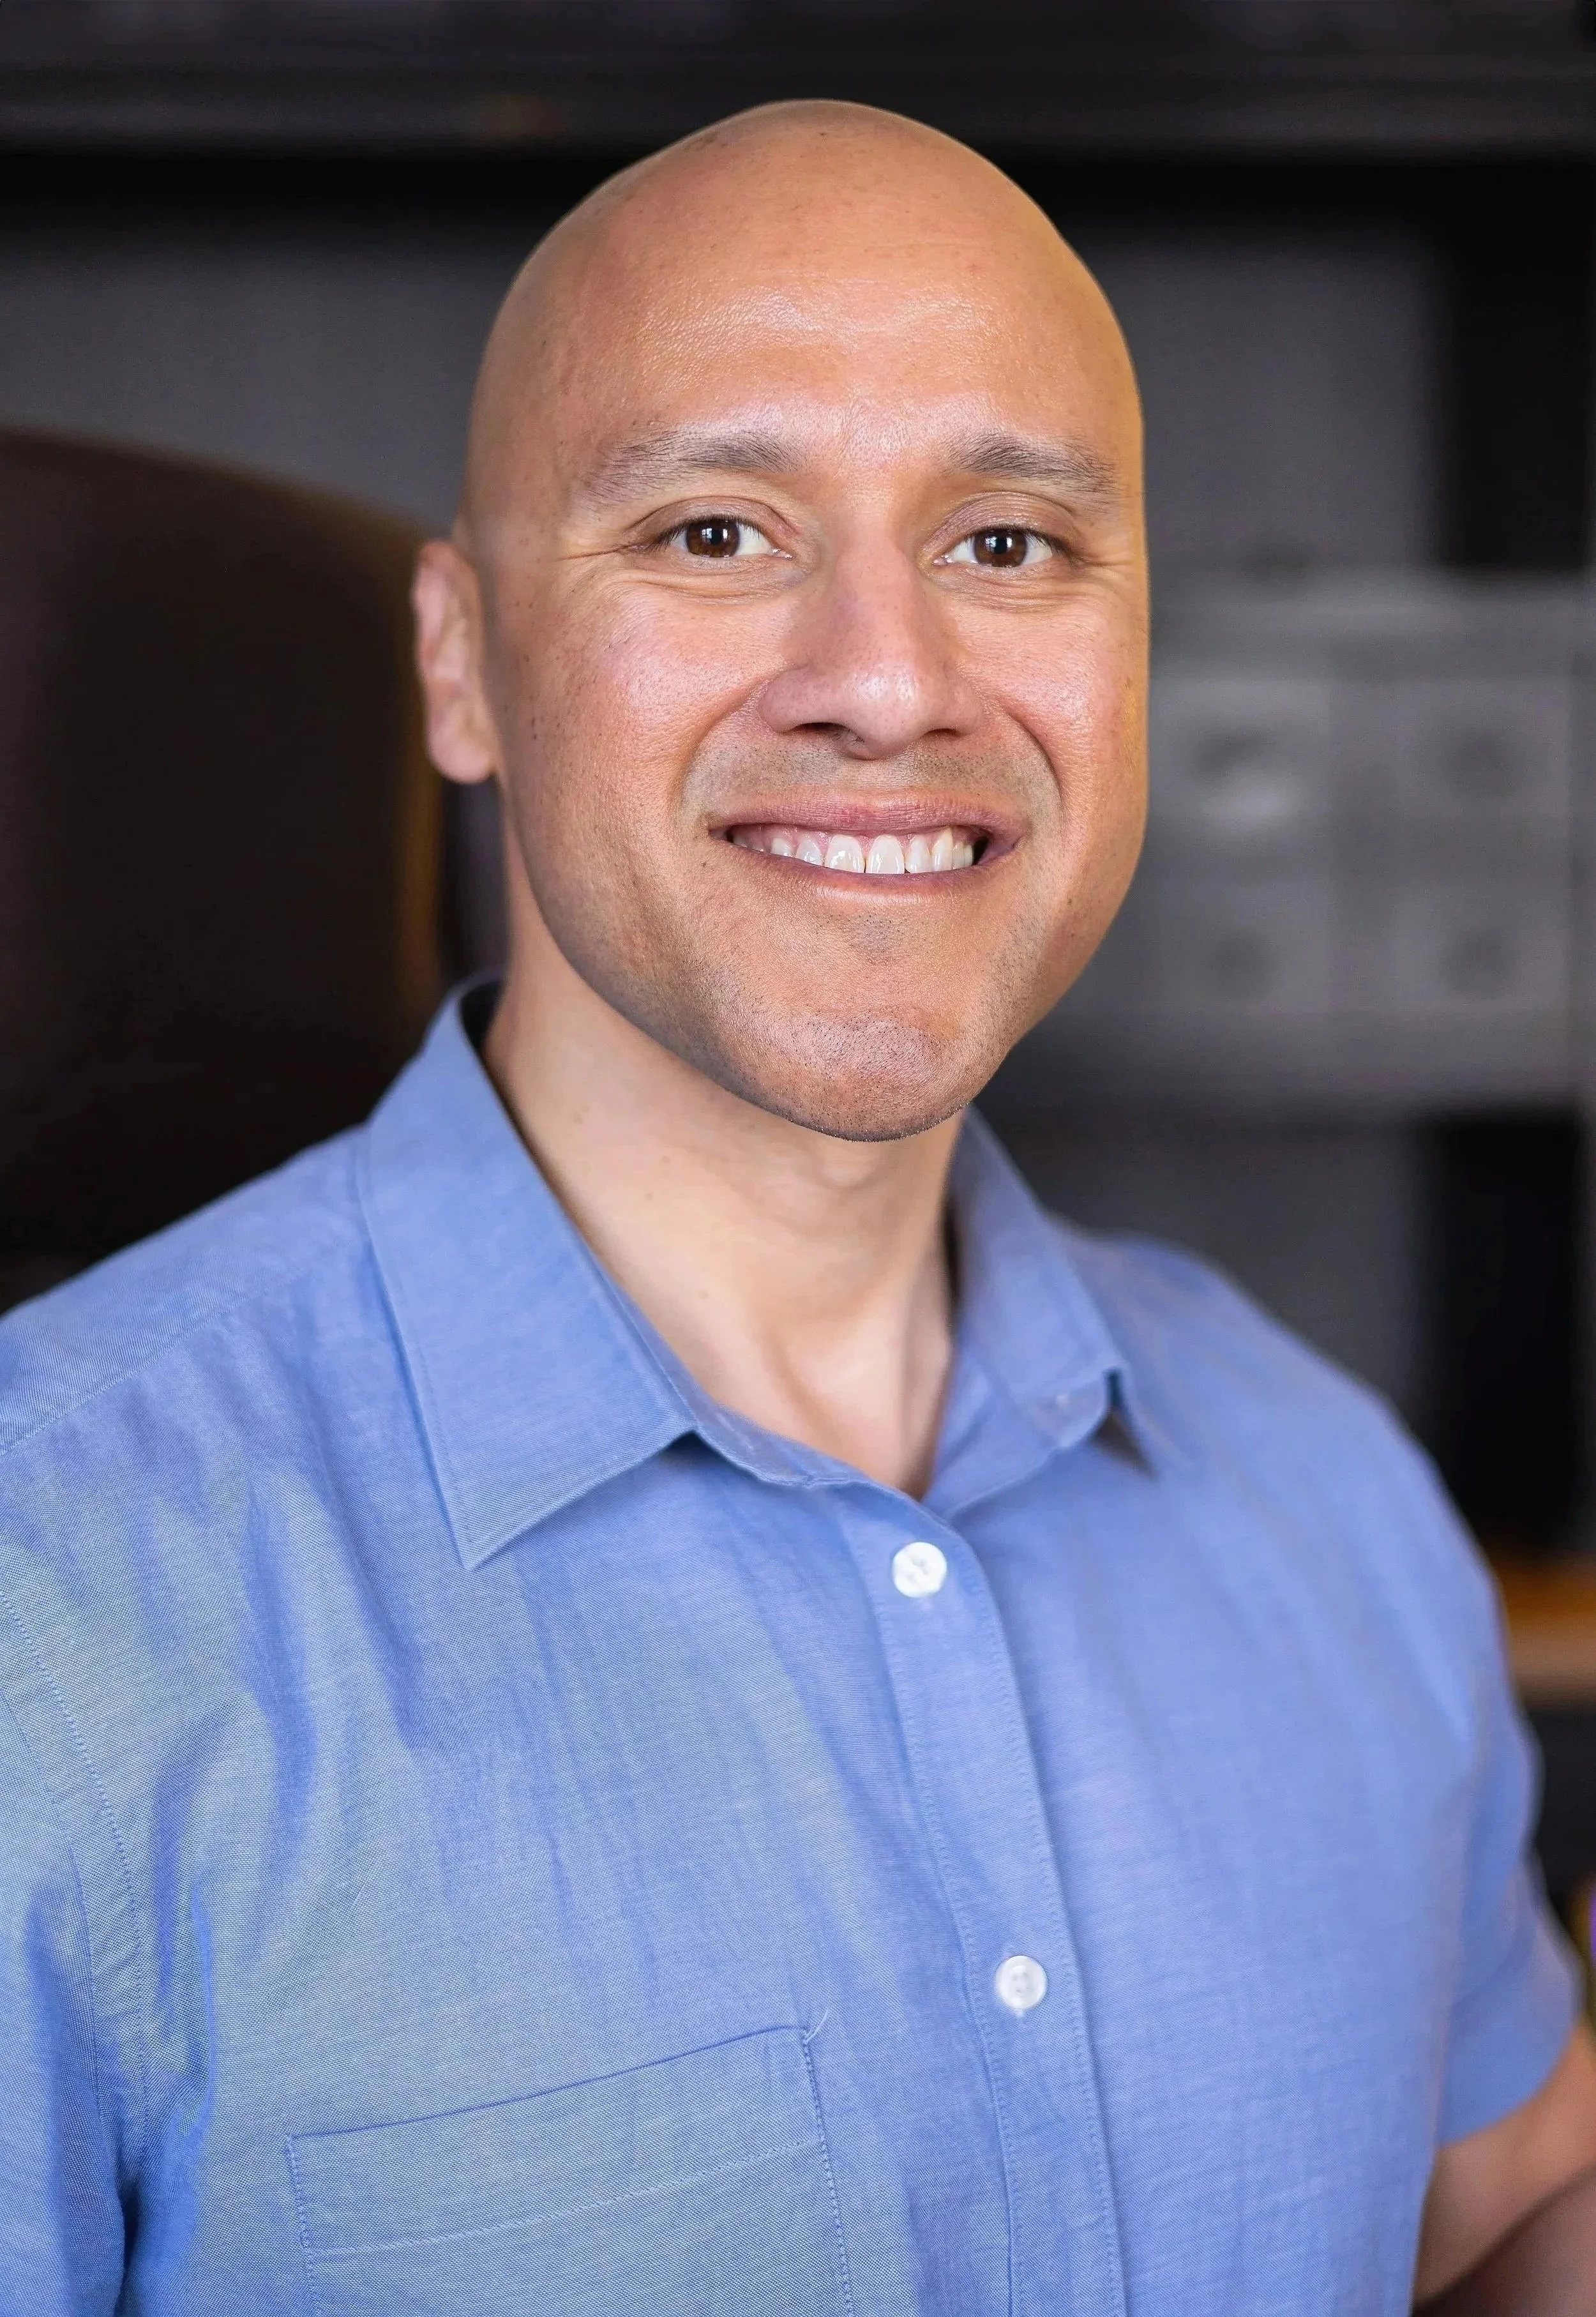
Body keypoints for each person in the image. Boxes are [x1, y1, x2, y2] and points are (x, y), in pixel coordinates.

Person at [2, 100, 1593, 2317]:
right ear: (458, 663)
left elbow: (1466, 2222)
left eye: (1007, 543)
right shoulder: (49, 1590)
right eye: (716, 529)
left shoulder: (1319, 1477)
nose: (890, 679)